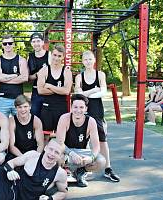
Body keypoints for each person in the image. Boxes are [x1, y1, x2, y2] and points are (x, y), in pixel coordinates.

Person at [74, 50, 120, 182]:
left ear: (94, 60)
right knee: (83, 140)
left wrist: (86, 93)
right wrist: (93, 90)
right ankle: (84, 168)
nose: (88, 62)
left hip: (97, 110)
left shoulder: (100, 74)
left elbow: (103, 92)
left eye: (90, 59)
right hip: (82, 110)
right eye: (85, 59)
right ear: (82, 61)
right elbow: (78, 94)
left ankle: (108, 168)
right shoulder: (79, 77)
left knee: (102, 140)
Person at [56, 94, 106, 187]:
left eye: (81, 107)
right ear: (71, 107)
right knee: (56, 157)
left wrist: (90, 158)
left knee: (101, 161)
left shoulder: (91, 121)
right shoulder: (64, 118)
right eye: (75, 107)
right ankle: (63, 172)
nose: (78, 110)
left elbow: (96, 147)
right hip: (66, 151)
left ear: (86, 109)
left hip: (82, 152)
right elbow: (60, 142)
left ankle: (81, 172)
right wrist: (71, 153)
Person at [37, 45, 72, 140]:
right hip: (47, 107)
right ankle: (43, 154)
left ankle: (60, 154)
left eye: (59, 56)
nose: (56, 58)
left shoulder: (66, 71)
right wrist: (59, 90)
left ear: (63, 57)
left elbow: (66, 91)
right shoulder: (44, 70)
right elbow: (40, 90)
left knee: (61, 136)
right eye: (55, 55)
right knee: (45, 136)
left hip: (61, 107)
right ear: (51, 55)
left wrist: (49, 86)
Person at [0, 34, 29, 117]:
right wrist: (15, 75)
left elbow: (25, 77)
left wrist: (5, 78)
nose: (7, 45)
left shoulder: (21, 60)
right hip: (3, 99)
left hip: (18, 98)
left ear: (14, 44)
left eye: (10, 43)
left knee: (20, 124)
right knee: (1, 124)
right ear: (2, 45)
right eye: (5, 44)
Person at [7, 94, 44, 161]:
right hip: (17, 153)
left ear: (30, 107)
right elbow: (11, 146)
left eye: (25, 106)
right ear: (16, 108)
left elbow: (40, 144)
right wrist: (23, 158)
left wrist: (35, 157)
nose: (23, 109)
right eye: (20, 107)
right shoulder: (11, 121)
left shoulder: (36, 121)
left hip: (32, 153)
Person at [27, 33, 50, 117]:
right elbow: (28, 78)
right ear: (31, 43)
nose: (36, 43)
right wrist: (38, 74)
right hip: (36, 92)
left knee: (47, 119)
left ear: (43, 42)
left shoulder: (49, 55)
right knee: (34, 117)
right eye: (33, 41)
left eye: (38, 41)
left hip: (48, 91)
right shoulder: (30, 57)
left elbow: (54, 74)